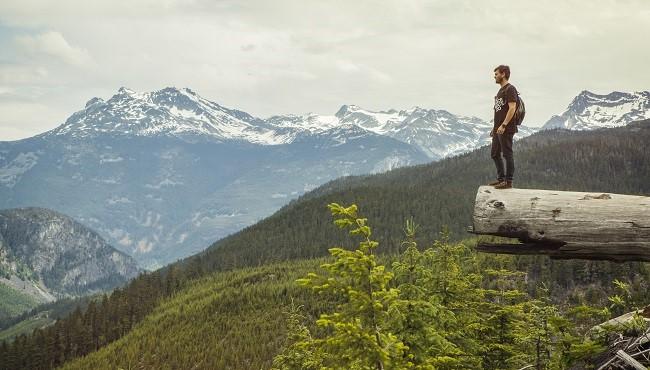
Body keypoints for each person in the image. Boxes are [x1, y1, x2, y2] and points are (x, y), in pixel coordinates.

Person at [488, 64, 518, 189]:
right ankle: (501, 179)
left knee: (507, 154)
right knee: (495, 154)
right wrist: (494, 128)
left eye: (496, 74)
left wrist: (504, 125)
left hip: (506, 128)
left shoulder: (510, 89)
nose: (494, 76)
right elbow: (499, 111)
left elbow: (512, 108)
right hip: (498, 128)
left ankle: (508, 181)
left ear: (503, 74)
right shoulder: (500, 90)